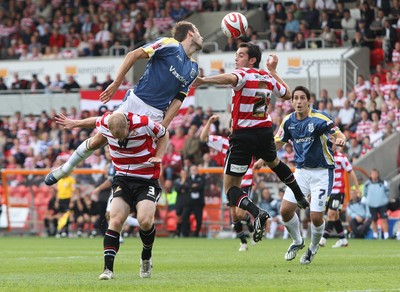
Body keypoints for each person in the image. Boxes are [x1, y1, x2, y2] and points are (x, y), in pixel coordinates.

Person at [44, 21, 203, 186]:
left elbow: (178, 100)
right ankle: (66, 169)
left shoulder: (193, 68)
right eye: (198, 31)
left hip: (156, 113)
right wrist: (116, 83)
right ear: (190, 33)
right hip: (136, 101)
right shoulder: (169, 44)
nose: (201, 36)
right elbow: (132, 55)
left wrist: (163, 126)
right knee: (100, 139)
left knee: (144, 159)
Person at [193, 43, 309, 243]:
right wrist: (273, 70)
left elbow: (230, 78)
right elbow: (288, 94)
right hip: (264, 132)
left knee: (229, 188)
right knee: (274, 163)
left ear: (252, 60)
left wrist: (204, 80)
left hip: (243, 136)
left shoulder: (243, 74)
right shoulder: (266, 76)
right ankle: (299, 195)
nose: (236, 59)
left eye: (240, 55)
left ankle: (257, 212)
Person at [255, 85, 346, 265]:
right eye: (295, 98)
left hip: (322, 172)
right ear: (292, 101)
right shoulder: (288, 121)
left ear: (308, 101)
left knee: (316, 217)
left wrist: (341, 138)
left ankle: (312, 248)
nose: (298, 101)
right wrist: (263, 159)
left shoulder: (320, 118)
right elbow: (278, 143)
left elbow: (337, 132)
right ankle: (297, 241)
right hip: (302, 172)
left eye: (302, 98)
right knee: (285, 211)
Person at [73, 111, 169, 280]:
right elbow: (93, 120)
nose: (119, 141)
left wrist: (159, 156)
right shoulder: (105, 121)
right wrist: (75, 122)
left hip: (146, 180)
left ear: (128, 127)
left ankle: (146, 256)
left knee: (145, 221)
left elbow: (164, 133)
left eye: (122, 136)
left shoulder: (143, 122)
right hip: (122, 179)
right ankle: (107, 270)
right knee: (115, 220)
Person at [200, 115, 255, 251]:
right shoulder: (225, 143)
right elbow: (203, 138)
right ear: (231, 127)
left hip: (246, 179)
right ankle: (243, 242)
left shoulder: (250, 141)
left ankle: (252, 228)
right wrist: (209, 122)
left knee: (241, 214)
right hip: (231, 183)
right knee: (234, 215)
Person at [319, 144, 361, 248]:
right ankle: (343, 239)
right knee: (335, 216)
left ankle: (323, 238)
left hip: (338, 191)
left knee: (331, 214)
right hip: (327, 191)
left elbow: (351, 171)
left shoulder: (341, 157)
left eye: (332, 141)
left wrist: (357, 188)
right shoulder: (323, 156)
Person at [363, 168, 390, 239]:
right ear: (371, 175)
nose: (374, 175)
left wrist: (384, 199)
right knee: (374, 219)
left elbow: (387, 191)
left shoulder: (383, 183)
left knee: (384, 219)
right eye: (373, 174)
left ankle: (386, 235)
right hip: (372, 204)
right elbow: (365, 193)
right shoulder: (367, 184)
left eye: (375, 174)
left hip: (382, 204)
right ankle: (375, 235)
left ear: (378, 175)